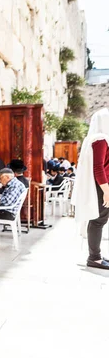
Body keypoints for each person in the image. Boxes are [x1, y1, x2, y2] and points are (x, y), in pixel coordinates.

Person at [72, 108, 109, 269]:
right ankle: (94, 257)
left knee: (98, 220)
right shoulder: (100, 139)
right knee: (98, 221)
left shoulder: (99, 139)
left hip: (103, 186)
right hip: (102, 187)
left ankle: (96, 255)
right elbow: (98, 168)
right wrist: (107, 191)